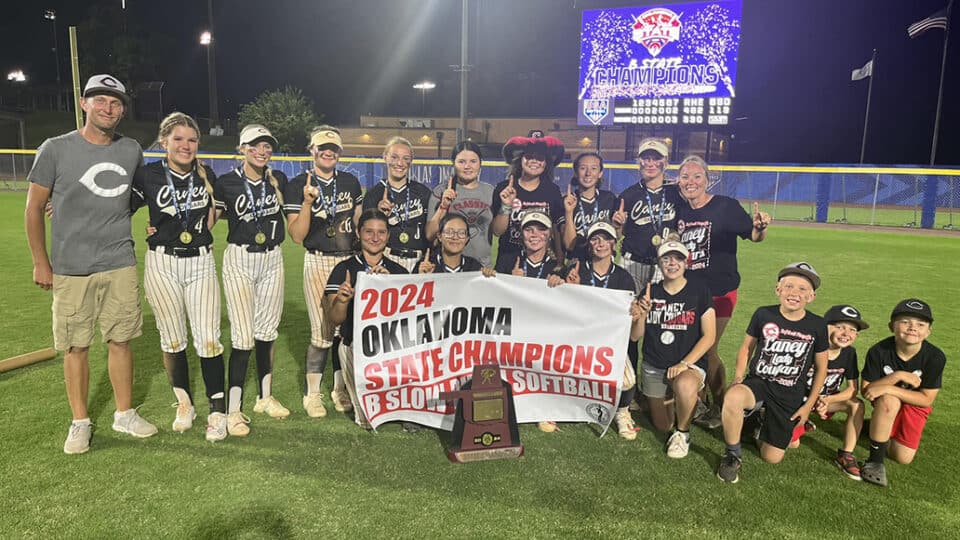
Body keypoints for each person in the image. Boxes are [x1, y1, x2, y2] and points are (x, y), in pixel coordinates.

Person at [26, 74, 157, 454]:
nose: (108, 107)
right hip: (71, 266)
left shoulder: (131, 149)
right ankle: (80, 421)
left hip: (119, 260)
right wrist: (41, 262)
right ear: (84, 104)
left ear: (122, 110)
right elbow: (34, 208)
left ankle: (124, 413)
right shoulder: (55, 148)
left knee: (122, 340)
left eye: (115, 102)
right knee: (76, 346)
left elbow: (135, 195)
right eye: (99, 100)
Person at [130, 112, 226, 442]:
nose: (186, 145)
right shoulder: (149, 174)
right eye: (178, 139)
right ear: (163, 142)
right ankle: (184, 403)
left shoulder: (205, 173)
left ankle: (217, 410)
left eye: (192, 139)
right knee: (172, 338)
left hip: (200, 263)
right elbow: (117, 206)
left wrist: (198, 229)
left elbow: (218, 209)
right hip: (162, 264)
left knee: (209, 338)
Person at [675, 154, 771, 429]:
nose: (691, 181)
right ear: (678, 181)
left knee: (709, 348)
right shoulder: (681, 211)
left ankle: (721, 404)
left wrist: (761, 228)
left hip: (720, 291)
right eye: (685, 176)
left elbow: (753, 235)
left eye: (697, 176)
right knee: (692, 347)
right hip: (690, 293)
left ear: (707, 179)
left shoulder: (725, 207)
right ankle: (700, 401)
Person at [717, 263, 828, 483]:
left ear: (812, 296)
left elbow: (822, 368)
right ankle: (732, 455)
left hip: (790, 392)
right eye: (788, 286)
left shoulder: (817, 325)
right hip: (760, 382)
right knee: (733, 397)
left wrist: (808, 406)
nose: (794, 293)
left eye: (802, 289)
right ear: (778, 290)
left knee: (772, 457)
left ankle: (758, 423)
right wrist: (739, 377)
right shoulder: (764, 314)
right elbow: (746, 348)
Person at [213, 124, 290, 436]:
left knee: (267, 331)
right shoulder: (227, 182)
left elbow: (288, 211)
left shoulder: (278, 179)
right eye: (256, 145)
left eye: (267, 145)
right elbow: (212, 217)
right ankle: (234, 410)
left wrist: (277, 189)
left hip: (273, 257)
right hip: (241, 258)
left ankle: (265, 397)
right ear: (242, 148)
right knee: (243, 337)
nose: (263, 150)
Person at [285, 126, 364, 417]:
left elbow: (358, 222)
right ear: (312, 150)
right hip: (318, 259)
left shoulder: (350, 182)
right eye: (322, 147)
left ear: (340, 153)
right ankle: (312, 394)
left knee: (346, 329)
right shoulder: (297, 184)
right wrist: (307, 203)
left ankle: (340, 388)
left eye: (333, 148)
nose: (328, 152)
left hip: (349, 259)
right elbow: (296, 235)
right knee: (321, 332)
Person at [550, 222, 644, 440]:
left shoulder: (623, 277)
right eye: (595, 239)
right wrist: (559, 284)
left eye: (606, 239)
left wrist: (636, 314)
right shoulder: (575, 269)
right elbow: (557, 307)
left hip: (607, 345)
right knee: (552, 365)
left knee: (627, 380)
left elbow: (632, 331)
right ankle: (552, 406)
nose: (600, 244)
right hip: (576, 340)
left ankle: (622, 411)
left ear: (614, 243)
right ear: (589, 244)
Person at [611, 138, 684, 402]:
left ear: (666, 162)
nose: (650, 163)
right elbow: (617, 234)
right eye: (646, 158)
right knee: (628, 326)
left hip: (663, 268)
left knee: (661, 325)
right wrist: (617, 225)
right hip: (631, 264)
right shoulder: (628, 195)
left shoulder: (676, 193)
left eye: (656, 158)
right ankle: (627, 389)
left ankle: (657, 387)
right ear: (639, 160)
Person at [324, 209, 408, 429]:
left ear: (389, 236)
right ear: (359, 233)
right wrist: (343, 300)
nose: (375, 237)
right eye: (369, 231)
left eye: (381, 232)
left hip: (391, 350)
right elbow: (334, 319)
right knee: (368, 419)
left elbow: (410, 322)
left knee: (399, 410)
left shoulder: (399, 272)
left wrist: (393, 288)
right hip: (355, 347)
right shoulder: (344, 269)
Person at [633, 240, 715, 458]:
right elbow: (635, 336)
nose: (672, 263)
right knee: (662, 425)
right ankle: (683, 401)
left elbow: (709, 336)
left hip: (687, 365)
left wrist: (684, 364)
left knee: (685, 383)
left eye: (677, 258)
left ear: (685, 262)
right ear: (659, 263)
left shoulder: (700, 291)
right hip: (654, 366)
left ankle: (683, 433)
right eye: (666, 258)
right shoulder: (650, 291)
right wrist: (641, 313)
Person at [859, 299, 945, 487]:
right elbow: (867, 391)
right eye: (905, 321)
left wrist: (889, 387)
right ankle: (875, 462)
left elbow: (926, 399)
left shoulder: (935, 357)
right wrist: (897, 376)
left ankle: (876, 427)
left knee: (902, 457)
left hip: (914, 405)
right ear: (892, 326)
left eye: (921, 324)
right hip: (886, 403)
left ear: (928, 331)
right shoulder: (879, 351)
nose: (913, 327)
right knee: (889, 400)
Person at [787, 304, 868, 480]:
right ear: (825, 327)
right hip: (798, 402)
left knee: (857, 405)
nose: (846, 333)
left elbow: (852, 389)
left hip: (826, 401)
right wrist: (812, 402)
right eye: (840, 327)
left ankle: (846, 454)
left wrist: (827, 399)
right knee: (792, 444)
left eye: (852, 330)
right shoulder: (809, 348)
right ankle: (800, 422)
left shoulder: (849, 353)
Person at [491, 130, 565, 264]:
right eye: (529, 156)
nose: (534, 161)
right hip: (508, 260)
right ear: (520, 160)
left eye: (540, 157)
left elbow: (556, 228)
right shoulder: (504, 188)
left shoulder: (552, 190)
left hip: (541, 264)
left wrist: (560, 259)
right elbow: (497, 231)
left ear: (546, 163)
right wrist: (506, 205)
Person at [364, 137, 432, 272]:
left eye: (406, 158)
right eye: (394, 157)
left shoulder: (423, 192)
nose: (400, 163)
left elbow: (431, 233)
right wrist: (379, 215)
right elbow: (365, 236)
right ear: (385, 157)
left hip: (419, 261)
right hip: (387, 258)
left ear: (411, 161)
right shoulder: (374, 194)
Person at [425, 141, 495, 266]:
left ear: (480, 164)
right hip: (449, 267)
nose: (467, 166)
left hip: (482, 268)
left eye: (473, 161)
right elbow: (430, 235)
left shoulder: (490, 191)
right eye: (461, 162)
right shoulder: (442, 191)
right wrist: (443, 206)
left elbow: (498, 232)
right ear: (453, 163)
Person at [561, 152, 617, 262]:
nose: (588, 173)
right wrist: (569, 212)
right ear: (576, 173)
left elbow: (616, 238)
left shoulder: (609, 199)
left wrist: (618, 226)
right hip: (577, 261)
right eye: (583, 168)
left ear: (600, 173)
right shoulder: (567, 201)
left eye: (594, 168)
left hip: (603, 260)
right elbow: (569, 245)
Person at [493, 211, 561, 280]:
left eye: (541, 229)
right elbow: (494, 286)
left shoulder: (557, 269)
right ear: (521, 233)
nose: (534, 234)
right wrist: (511, 279)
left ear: (550, 233)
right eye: (528, 230)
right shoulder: (507, 261)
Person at [418, 212, 491, 275]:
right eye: (449, 232)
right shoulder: (426, 265)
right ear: (439, 236)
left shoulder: (474, 267)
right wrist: (422, 278)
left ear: (467, 239)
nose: (455, 237)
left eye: (461, 233)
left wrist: (488, 277)